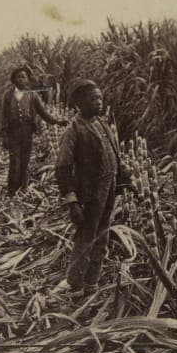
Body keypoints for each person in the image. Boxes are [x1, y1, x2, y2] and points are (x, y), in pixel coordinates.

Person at [54, 80, 131, 295]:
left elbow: (115, 154)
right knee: (86, 237)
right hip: (89, 194)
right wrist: (72, 200)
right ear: (79, 103)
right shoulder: (74, 130)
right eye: (93, 99)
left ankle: (91, 283)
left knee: (102, 235)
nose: (99, 102)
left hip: (109, 188)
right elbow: (62, 167)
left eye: (100, 98)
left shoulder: (102, 124)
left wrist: (125, 179)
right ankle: (74, 283)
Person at [1, 65, 67, 196]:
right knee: (15, 163)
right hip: (13, 132)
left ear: (27, 80)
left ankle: (23, 189)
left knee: (25, 162)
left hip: (27, 132)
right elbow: (3, 117)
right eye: (18, 77)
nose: (21, 80)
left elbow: (43, 113)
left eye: (23, 77)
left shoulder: (32, 95)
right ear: (13, 80)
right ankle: (12, 191)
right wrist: (4, 135)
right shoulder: (8, 96)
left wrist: (57, 121)